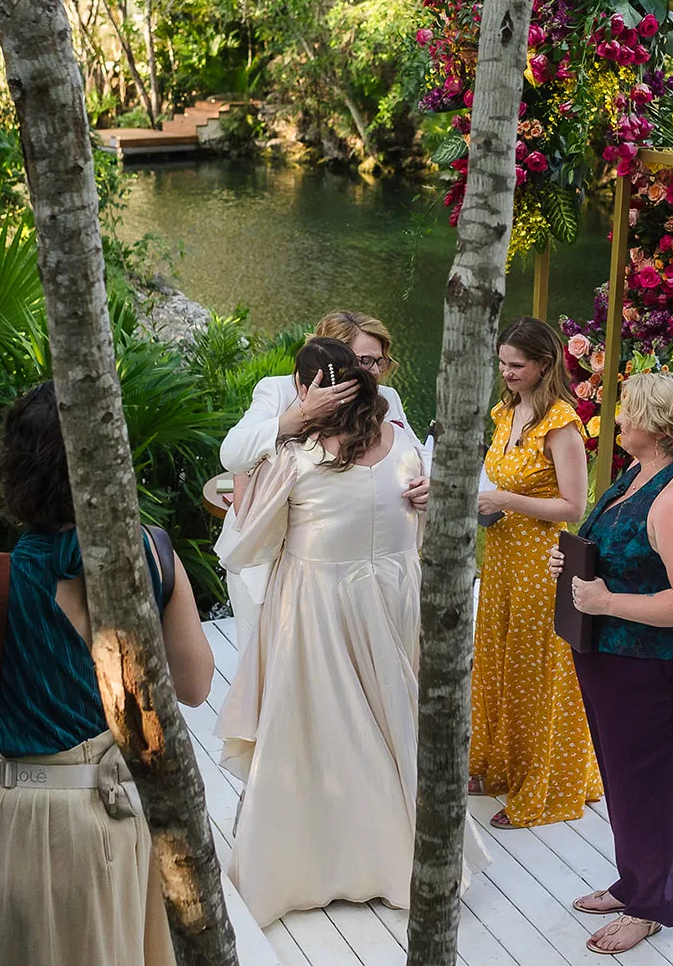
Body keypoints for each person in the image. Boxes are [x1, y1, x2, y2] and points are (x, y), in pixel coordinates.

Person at [0, 382, 216, 966]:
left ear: (13, 469)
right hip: (123, 815)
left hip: (25, 815)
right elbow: (195, 686)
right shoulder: (152, 554)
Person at [214, 337, 487, 925]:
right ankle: (400, 859)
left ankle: (305, 864)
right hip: (392, 592)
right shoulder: (401, 443)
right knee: (392, 717)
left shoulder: (298, 454)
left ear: (310, 389)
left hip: (317, 599)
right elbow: (417, 503)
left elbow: (250, 537)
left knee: (312, 726)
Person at [548, 371, 673, 956]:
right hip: (615, 658)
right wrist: (575, 566)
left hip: (661, 670)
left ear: (657, 424)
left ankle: (650, 906)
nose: (617, 417)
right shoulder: (639, 472)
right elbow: (625, 551)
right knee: (625, 779)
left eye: (627, 410)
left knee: (652, 785)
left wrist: (602, 600)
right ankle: (633, 883)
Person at [468, 316, 602, 829]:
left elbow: (574, 506)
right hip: (501, 554)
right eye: (502, 363)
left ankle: (543, 788)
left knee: (535, 671)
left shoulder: (561, 424)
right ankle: (499, 764)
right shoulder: (506, 411)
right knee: (499, 662)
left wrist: (505, 498)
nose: (506, 373)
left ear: (545, 364)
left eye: (517, 365)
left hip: (541, 563)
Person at [217, 310, 423, 640]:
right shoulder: (279, 391)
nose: (372, 372)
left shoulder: (386, 399)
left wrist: (427, 483)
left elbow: (416, 454)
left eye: (378, 362)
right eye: (364, 361)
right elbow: (232, 453)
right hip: (268, 559)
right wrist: (302, 414)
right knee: (264, 670)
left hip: (343, 569)